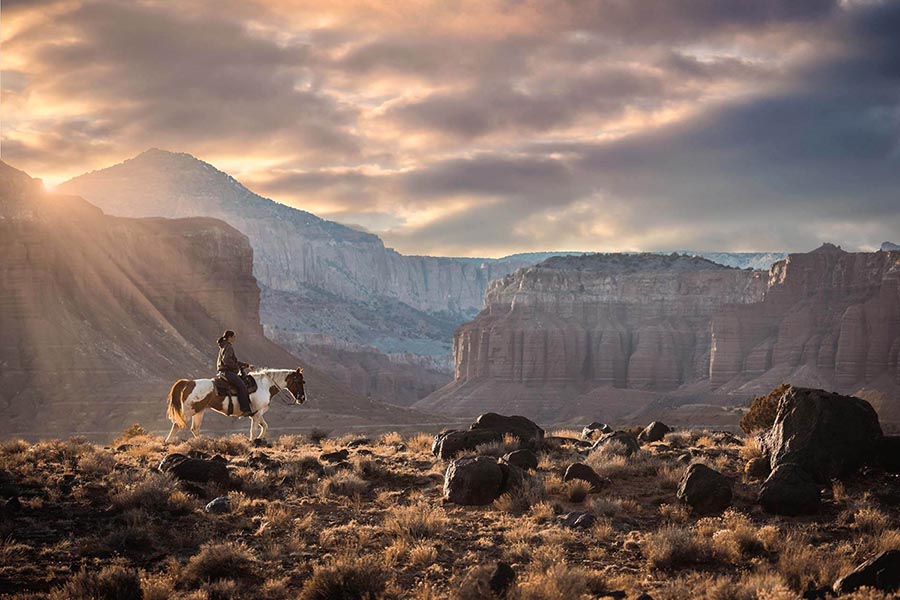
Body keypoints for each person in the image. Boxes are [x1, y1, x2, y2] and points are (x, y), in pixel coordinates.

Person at [216, 330, 254, 415]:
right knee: (242, 386)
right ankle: (245, 409)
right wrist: (237, 367)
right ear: (230, 337)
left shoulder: (224, 346)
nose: (235, 339)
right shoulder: (228, 346)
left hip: (223, 371)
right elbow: (227, 360)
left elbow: (234, 361)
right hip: (227, 372)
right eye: (234, 337)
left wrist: (246, 365)